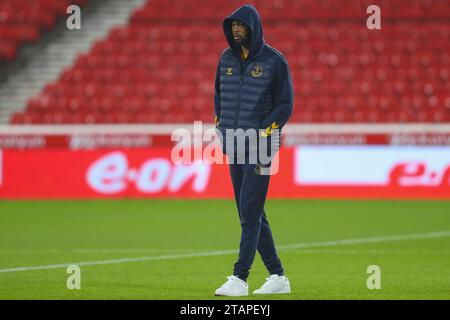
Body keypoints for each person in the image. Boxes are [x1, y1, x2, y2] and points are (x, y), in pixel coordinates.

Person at [213, 5, 294, 296]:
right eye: (232, 26)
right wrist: (220, 126)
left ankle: (240, 278)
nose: (236, 30)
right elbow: (218, 97)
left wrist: (265, 131)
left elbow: (285, 105)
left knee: (249, 213)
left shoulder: (275, 61)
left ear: (253, 28)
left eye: (241, 26)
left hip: (262, 147)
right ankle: (278, 276)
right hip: (234, 145)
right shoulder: (225, 59)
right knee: (251, 213)